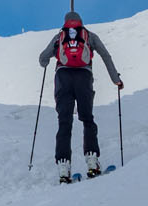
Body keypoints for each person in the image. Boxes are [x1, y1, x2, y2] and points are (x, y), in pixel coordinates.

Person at [38, 11, 123, 182]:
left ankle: (63, 168)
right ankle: (92, 162)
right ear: (80, 22)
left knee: (64, 122)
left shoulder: (59, 37)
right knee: (87, 119)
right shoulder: (89, 36)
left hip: (63, 78)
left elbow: (42, 58)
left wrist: (48, 60)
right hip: (83, 78)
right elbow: (105, 55)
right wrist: (116, 80)